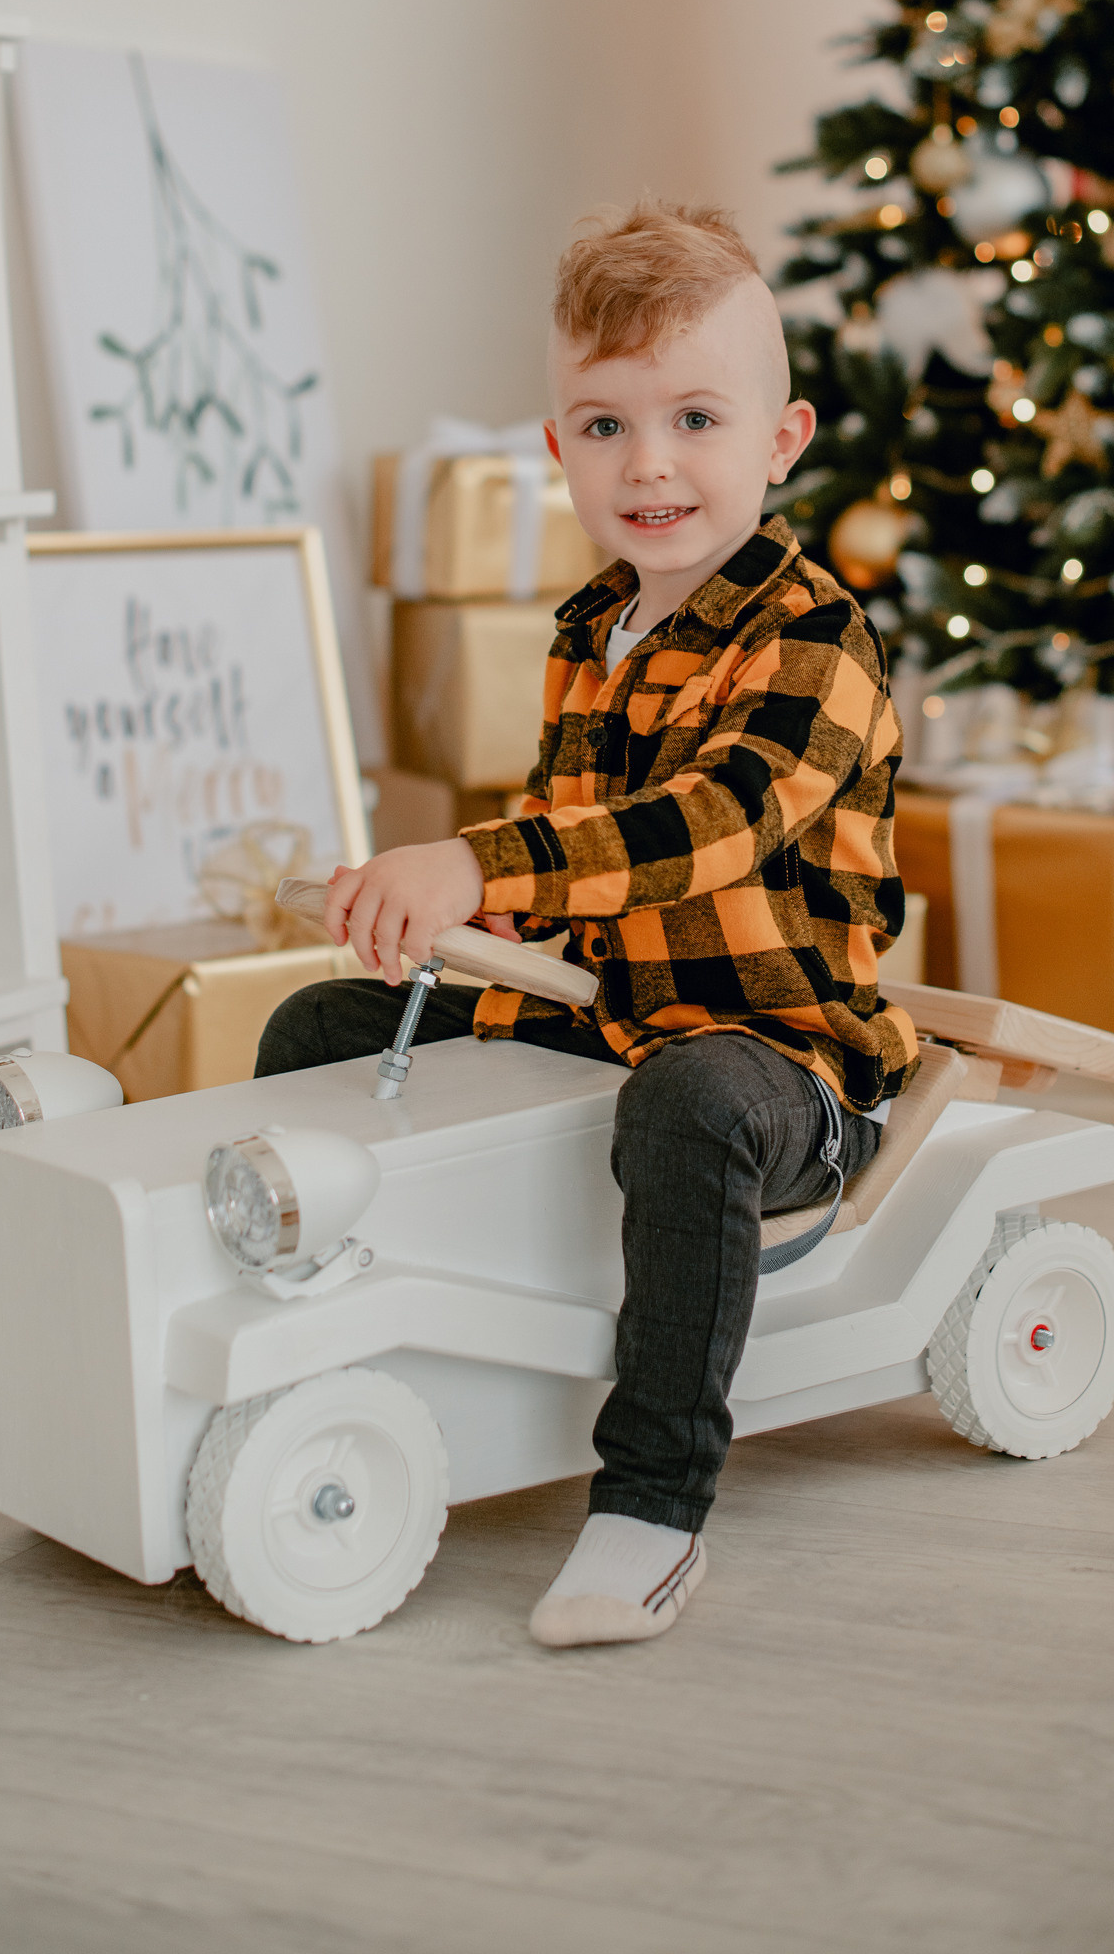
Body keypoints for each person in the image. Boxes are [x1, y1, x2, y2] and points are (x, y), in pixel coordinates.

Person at [256, 201, 917, 1647]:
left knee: (691, 1101)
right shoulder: (586, 634)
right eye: (604, 426)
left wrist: (478, 866)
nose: (653, 464)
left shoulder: (816, 639)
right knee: (323, 1025)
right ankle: (333, 1345)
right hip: (607, 1012)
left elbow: (706, 826)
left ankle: (654, 1503)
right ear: (556, 451)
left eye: (695, 416)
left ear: (783, 439)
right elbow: (569, 863)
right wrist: (446, 930)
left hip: (780, 1052)